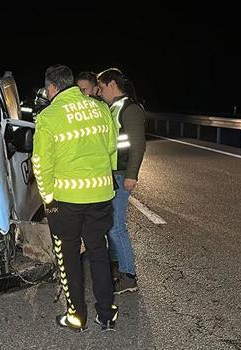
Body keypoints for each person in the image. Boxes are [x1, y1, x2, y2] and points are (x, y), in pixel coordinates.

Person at [32, 64, 119, 331]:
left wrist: (48, 199)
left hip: (66, 200)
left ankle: (76, 317)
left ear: (51, 88)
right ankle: (106, 315)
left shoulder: (49, 116)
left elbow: (40, 164)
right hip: (101, 195)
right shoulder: (101, 108)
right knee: (99, 253)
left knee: (68, 257)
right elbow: (111, 147)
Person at [97, 68, 147, 294]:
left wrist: (132, 175)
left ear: (111, 85)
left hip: (121, 174)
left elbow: (138, 144)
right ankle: (118, 268)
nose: (99, 91)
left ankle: (129, 276)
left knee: (117, 227)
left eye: (101, 87)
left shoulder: (130, 109)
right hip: (111, 174)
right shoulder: (113, 107)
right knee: (111, 226)